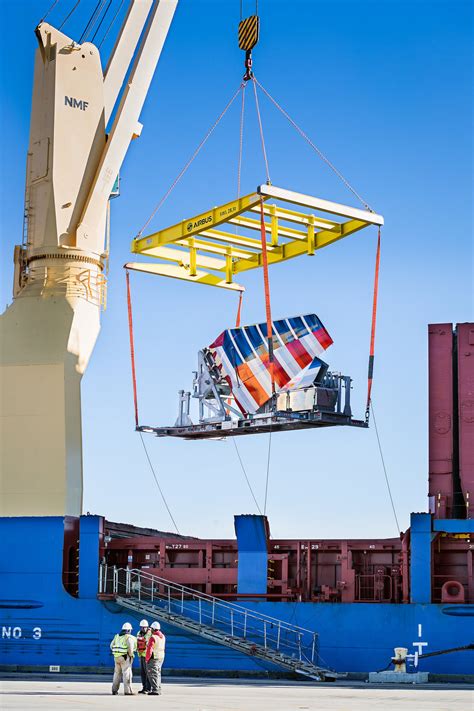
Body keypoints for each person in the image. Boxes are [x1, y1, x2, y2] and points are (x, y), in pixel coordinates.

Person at [110, 621, 137, 696]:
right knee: (126, 673)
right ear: (128, 630)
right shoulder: (128, 637)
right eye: (130, 630)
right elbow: (131, 649)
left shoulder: (117, 636)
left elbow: (111, 646)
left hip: (116, 657)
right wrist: (131, 655)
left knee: (117, 673)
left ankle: (114, 690)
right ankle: (128, 691)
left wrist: (117, 653)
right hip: (125, 658)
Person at [145, 621, 166, 696]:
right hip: (161, 657)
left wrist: (147, 659)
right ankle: (158, 688)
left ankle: (155, 690)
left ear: (153, 629)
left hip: (154, 658)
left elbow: (149, 649)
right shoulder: (163, 636)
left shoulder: (153, 637)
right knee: (158, 673)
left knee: (152, 674)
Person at [136, 619, 152, 694]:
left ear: (147, 627)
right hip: (141, 655)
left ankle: (148, 688)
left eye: (145, 627)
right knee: (142, 673)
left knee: (147, 672)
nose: (143, 629)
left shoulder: (150, 633)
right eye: (142, 627)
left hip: (147, 656)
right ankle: (144, 687)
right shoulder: (139, 633)